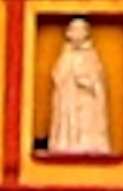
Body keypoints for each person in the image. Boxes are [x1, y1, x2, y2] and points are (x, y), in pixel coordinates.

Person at [48, 19, 114, 157]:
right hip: (68, 100)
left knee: (87, 122)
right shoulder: (65, 55)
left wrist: (88, 83)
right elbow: (57, 76)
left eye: (80, 30)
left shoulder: (91, 55)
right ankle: (65, 144)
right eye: (74, 30)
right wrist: (67, 80)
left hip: (86, 100)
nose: (77, 34)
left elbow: (98, 80)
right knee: (67, 124)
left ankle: (89, 144)